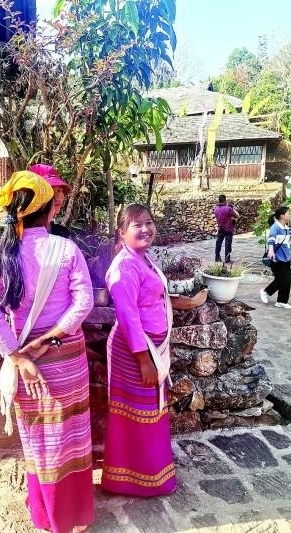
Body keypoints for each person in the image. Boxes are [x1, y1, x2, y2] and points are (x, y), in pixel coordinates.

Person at [0, 170, 94, 533]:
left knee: (39, 438)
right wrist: (52, 339)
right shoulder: (67, 250)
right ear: (47, 210)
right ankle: (75, 513)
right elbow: (84, 302)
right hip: (66, 359)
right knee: (71, 432)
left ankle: (46, 513)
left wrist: (17, 356)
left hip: (26, 364)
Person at [101, 203, 176, 497]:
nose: (145, 229)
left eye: (149, 222)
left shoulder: (142, 259)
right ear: (122, 232)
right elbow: (128, 317)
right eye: (137, 225)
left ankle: (150, 475)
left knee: (150, 413)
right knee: (137, 416)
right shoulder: (124, 268)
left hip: (150, 348)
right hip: (135, 353)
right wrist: (144, 360)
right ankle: (131, 481)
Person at [260, 206, 291, 309]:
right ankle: (265, 292)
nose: (290, 215)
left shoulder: (286, 228)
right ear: (282, 215)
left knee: (287, 280)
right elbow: (271, 239)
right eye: (288, 213)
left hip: (286, 258)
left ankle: (281, 301)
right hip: (277, 258)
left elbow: (286, 244)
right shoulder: (275, 227)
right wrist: (271, 251)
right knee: (281, 279)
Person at [29, 163, 72, 238]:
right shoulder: (19, 233)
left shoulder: (62, 233)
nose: (58, 197)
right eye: (51, 191)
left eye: (60, 190)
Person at [214, 194, 239, 263]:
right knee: (228, 244)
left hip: (220, 228)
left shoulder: (216, 209)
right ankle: (227, 259)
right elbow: (237, 215)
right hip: (228, 229)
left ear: (219, 200)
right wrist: (232, 208)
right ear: (225, 200)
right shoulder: (228, 209)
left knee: (218, 243)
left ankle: (217, 257)